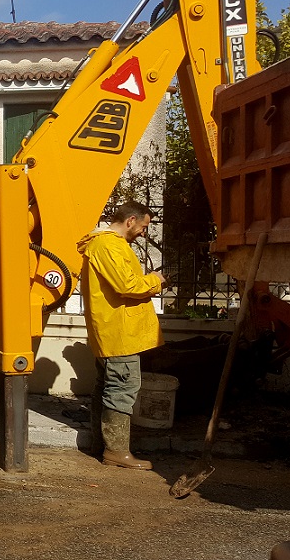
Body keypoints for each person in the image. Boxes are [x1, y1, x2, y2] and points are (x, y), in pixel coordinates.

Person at [77, 200, 166, 469]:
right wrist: (155, 280)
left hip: (113, 331)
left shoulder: (105, 245)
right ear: (130, 221)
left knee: (107, 386)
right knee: (122, 389)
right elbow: (126, 285)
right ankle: (116, 452)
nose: (144, 232)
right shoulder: (109, 245)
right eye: (144, 226)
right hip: (119, 334)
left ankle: (102, 446)